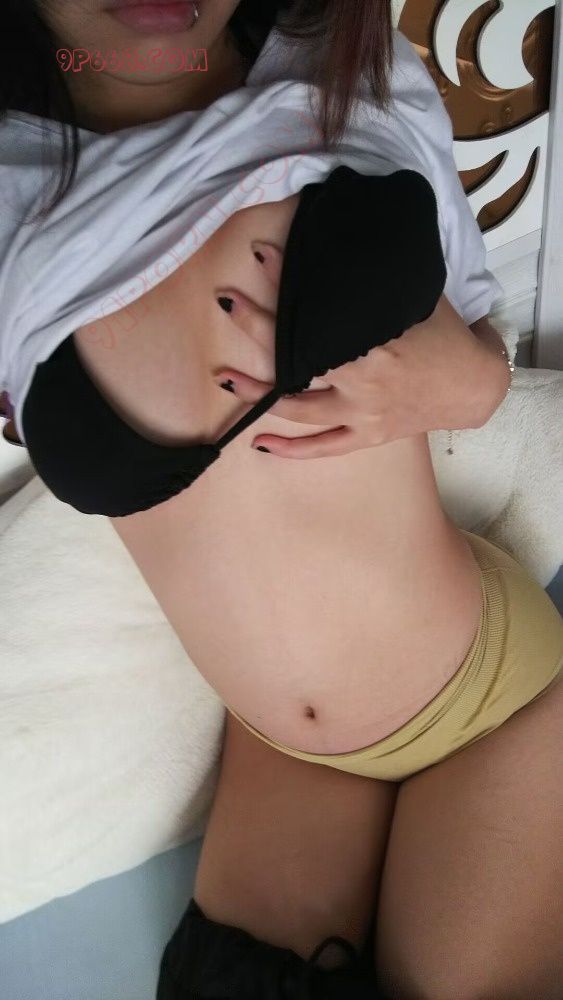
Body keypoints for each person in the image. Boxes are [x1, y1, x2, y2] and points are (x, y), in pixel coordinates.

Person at [1, 2, 562, 997]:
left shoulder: (348, 65)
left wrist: (466, 381)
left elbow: (476, 344)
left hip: (488, 701)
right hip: (278, 748)